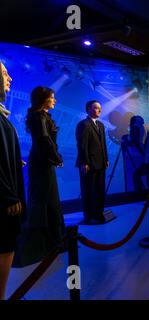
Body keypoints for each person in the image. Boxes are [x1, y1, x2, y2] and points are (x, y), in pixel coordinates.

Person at [13, 86, 65, 268]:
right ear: (43, 99)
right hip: (42, 164)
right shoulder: (39, 117)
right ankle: (42, 245)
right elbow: (44, 140)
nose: (54, 100)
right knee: (44, 201)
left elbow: (46, 141)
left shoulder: (41, 116)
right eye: (52, 97)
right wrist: (57, 158)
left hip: (43, 162)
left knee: (49, 201)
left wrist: (54, 158)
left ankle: (52, 242)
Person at [0, 62, 25, 300]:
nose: (10, 78)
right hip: (3, 201)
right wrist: (7, 194)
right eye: (5, 73)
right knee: (4, 246)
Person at [75, 100, 109, 225]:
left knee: (100, 191)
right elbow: (82, 145)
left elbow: (103, 144)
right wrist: (84, 163)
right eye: (96, 108)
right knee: (88, 191)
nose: (99, 110)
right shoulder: (83, 124)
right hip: (88, 164)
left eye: (100, 108)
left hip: (100, 163)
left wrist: (106, 159)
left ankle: (99, 214)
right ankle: (89, 217)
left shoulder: (100, 124)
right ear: (88, 109)